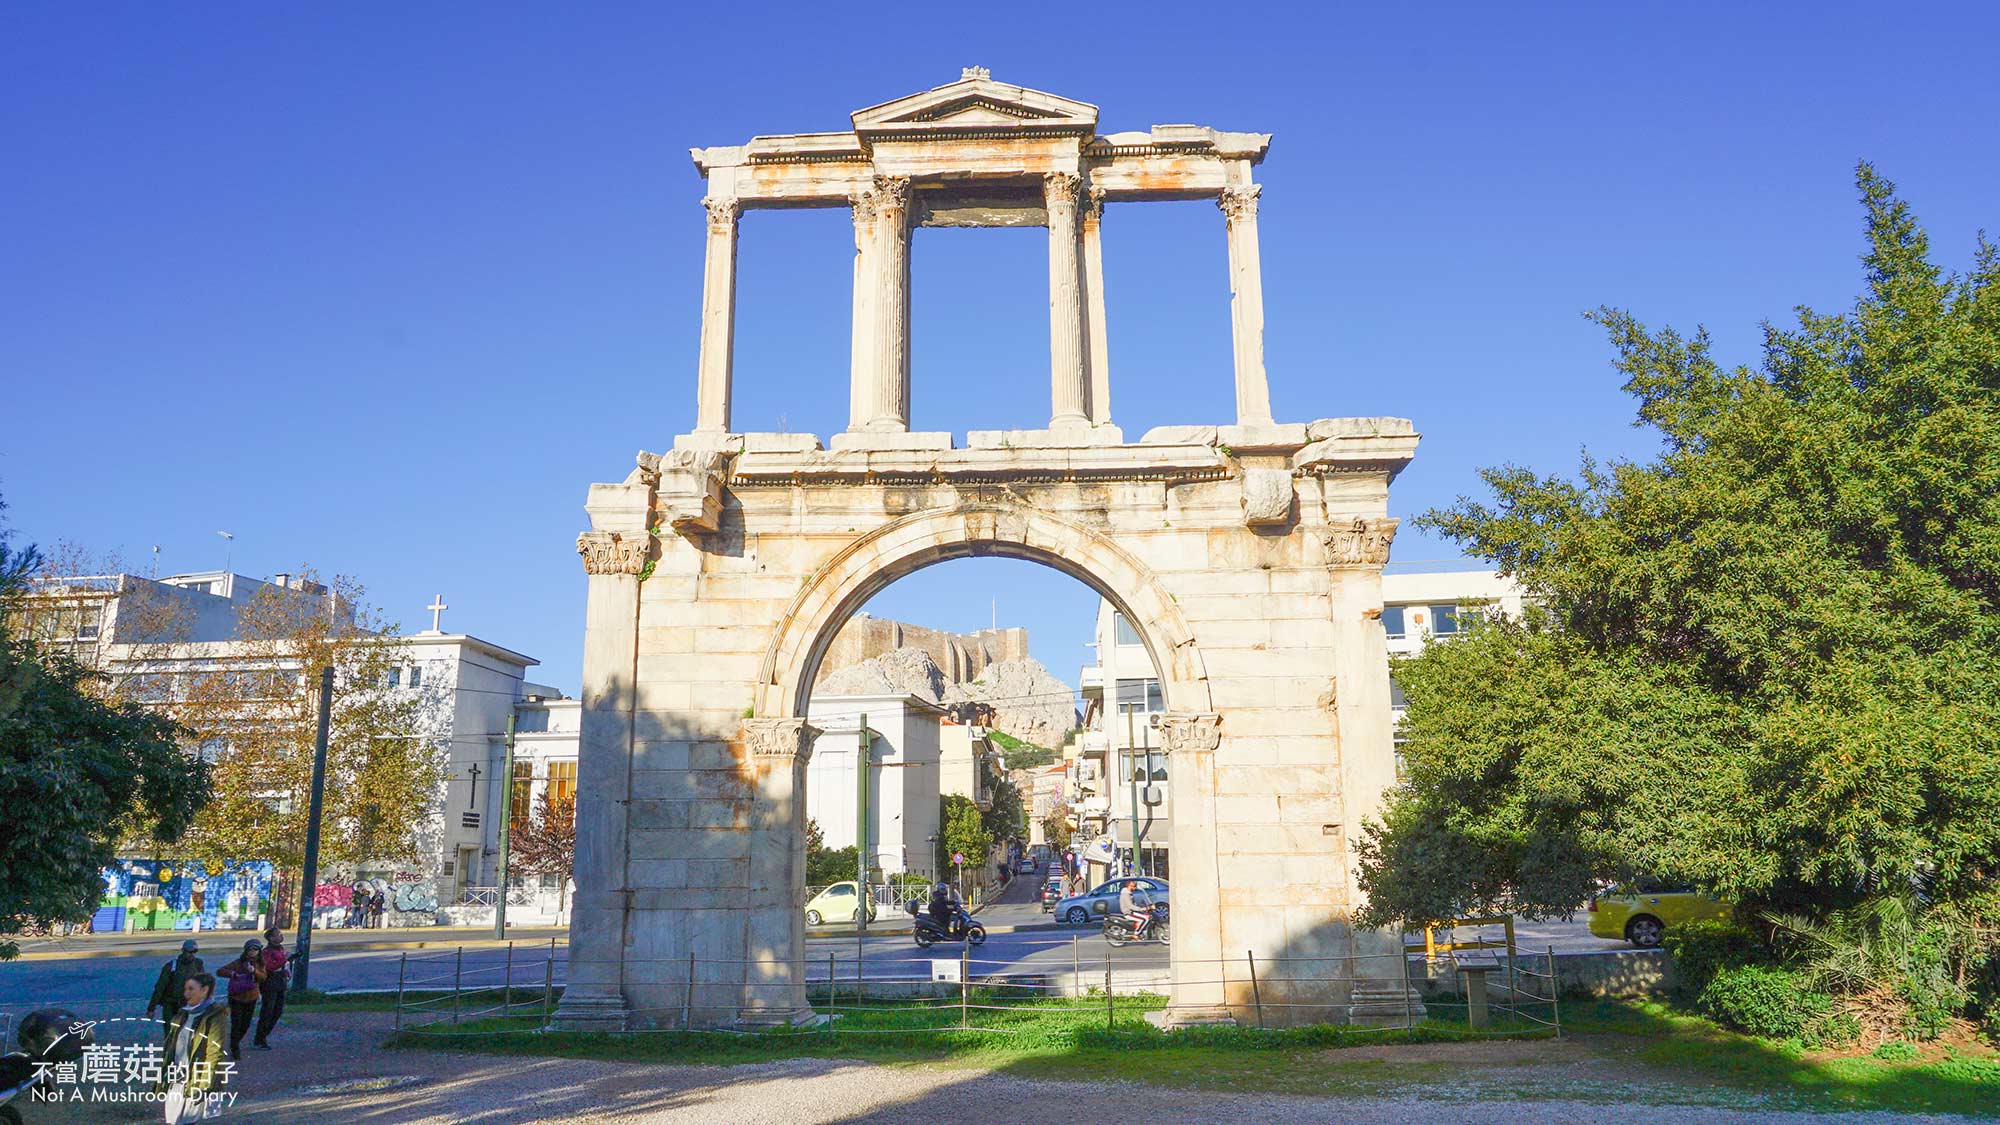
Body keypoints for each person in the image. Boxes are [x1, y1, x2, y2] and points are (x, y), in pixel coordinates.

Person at [159, 971, 229, 1123]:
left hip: (195, 1079)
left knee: (186, 1119)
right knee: (173, 1119)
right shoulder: (183, 1014)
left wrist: (204, 1084)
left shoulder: (215, 1015)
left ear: (205, 990)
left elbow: (214, 1052)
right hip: (176, 1078)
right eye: (185, 989)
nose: (186, 993)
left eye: (191, 989)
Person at [214, 939, 265, 1060]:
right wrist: (233, 974)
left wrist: (255, 972)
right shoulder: (238, 963)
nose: (252, 952)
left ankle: (235, 1042)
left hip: (251, 997)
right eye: (250, 949)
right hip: (236, 997)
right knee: (236, 1023)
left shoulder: (260, 963)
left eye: (255, 949)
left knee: (246, 1024)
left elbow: (263, 977)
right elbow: (220, 971)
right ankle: (235, 1048)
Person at [147, 940, 205, 1021]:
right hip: (170, 1005)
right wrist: (151, 1008)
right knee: (170, 1031)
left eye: (194, 952)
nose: (191, 954)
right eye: (189, 952)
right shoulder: (171, 966)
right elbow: (160, 987)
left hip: (188, 1005)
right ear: (183, 950)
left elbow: (203, 984)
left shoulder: (198, 964)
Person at [252, 926, 289, 1050]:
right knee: (267, 1011)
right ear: (271, 938)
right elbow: (270, 967)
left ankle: (263, 1035)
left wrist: (286, 971)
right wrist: (285, 960)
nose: (281, 936)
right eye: (278, 934)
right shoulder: (267, 952)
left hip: (280, 982)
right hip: (269, 983)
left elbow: (282, 965)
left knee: (277, 1011)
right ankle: (260, 1038)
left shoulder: (280, 949)